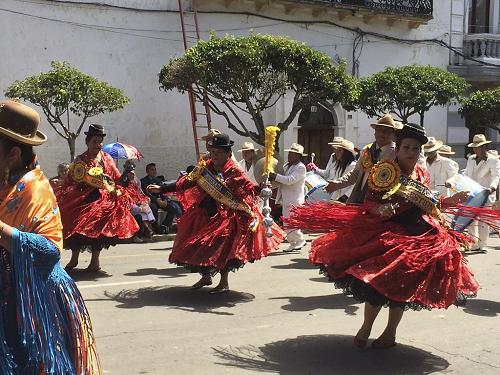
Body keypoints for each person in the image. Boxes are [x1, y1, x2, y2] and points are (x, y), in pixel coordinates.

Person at [286, 122, 479, 349]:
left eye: (416, 149)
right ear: (397, 149)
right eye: (407, 147)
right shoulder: (385, 170)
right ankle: (366, 326)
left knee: (402, 288)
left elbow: (429, 205)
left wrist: (450, 202)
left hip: (418, 232)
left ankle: (390, 333)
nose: (411, 153)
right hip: (385, 230)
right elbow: (370, 202)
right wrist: (380, 210)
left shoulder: (421, 174)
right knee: (377, 286)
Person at [0, 99, 100, 373]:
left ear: (13, 154)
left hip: (36, 304)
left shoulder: (34, 189)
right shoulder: (5, 182)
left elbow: (48, 251)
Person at [148, 133, 284, 293]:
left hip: (227, 216)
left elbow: (249, 187)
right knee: (198, 245)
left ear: (228, 154)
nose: (215, 156)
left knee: (223, 248)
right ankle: (206, 276)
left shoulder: (234, 171)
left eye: (218, 153)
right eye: (212, 152)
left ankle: (224, 282)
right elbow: (187, 180)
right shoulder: (206, 167)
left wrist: (261, 187)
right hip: (205, 212)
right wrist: (163, 187)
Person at [57, 124, 139, 272]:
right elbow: (71, 179)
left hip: (102, 199)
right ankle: (74, 258)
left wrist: (127, 176)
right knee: (76, 226)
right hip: (82, 198)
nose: (98, 144)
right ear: (88, 142)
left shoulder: (107, 158)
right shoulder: (80, 160)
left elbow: (116, 178)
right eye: (95, 141)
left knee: (99, 230)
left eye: (100, 141)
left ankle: (95, 261)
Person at [325, 114, 402, 203]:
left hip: (381, 203)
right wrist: (337, 184)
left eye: (387, 131)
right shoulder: (367, 150)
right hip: (360, 198)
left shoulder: (397, 153)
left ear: (393, 134)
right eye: (379, 129)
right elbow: (356, 173)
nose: (382, 133)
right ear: (375, 132)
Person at [464, 134, 500, 251]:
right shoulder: (470, 159)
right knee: (470, 219)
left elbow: (496, 176)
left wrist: (492, 188)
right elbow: (466, 174)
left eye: (477, 147)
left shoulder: (493, 160)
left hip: (486, 194)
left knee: (483, 220)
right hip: (472, 193)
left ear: (484, 147)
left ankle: (482, 244)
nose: (475, 149)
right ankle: (473, 243)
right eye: (473, 147)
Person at [268, 143, 307, 251]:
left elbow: (289, 180)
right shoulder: (286, 166)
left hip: (294, 199)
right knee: (287, 222)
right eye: (289, 153)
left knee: (292, 222)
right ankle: (293, 242)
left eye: (292, 154)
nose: (289, 156)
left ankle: (300, 240)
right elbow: (280, 178)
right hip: (286, 198)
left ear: (298, 156)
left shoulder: (301, 167)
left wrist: (275, 176)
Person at [310, 137, 357, 202]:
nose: (336, 152)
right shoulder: (338, 164)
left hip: (346, 200)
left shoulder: (353, 165)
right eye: (336, 150)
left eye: (339, 151)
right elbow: (328, 175)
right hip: (335, 197)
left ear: (346, 153)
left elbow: (353, 186)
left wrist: (344, 198)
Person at [140, 162, 181, 234]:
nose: (154, 171)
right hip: (151, 200)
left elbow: (162, 191)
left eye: (155, 170)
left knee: (172, 208)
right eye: (152, 170)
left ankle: (165, 225)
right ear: (147, 171)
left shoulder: (158, 180)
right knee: (154, 208)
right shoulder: (143, 181)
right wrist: (156, 200)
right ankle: (155, 226)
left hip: (160, 200)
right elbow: (146, 193)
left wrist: (164, 200)